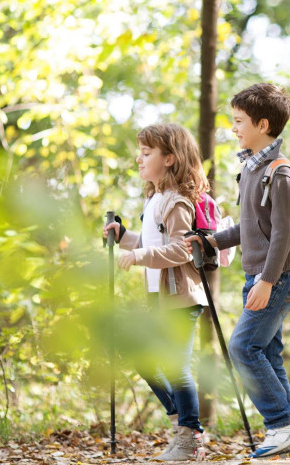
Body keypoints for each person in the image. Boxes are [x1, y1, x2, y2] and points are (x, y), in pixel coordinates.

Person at [185, 83, 290, 459]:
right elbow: (252, 227)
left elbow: (285, 234)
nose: (234, 127)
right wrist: (212, 241)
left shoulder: (281, 173)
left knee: (243, 347)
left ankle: (282, 424)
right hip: (258, 276)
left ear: (263, 123)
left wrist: (268, 281)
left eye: (239, 121)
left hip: (277, 276)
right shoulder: (252, 169)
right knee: (267, 353)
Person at [103, 123, 209, 461]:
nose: (139, 159)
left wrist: (135, 257)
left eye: (146, 153)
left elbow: (181, 250)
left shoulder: (177, 201)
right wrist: (125, 237)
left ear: (169, 159)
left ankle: (190, 440)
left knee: (176, 367)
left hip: (181, 297)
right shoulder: (154, 198)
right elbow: (153, 244)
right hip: (160, 299)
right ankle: (181, 424)